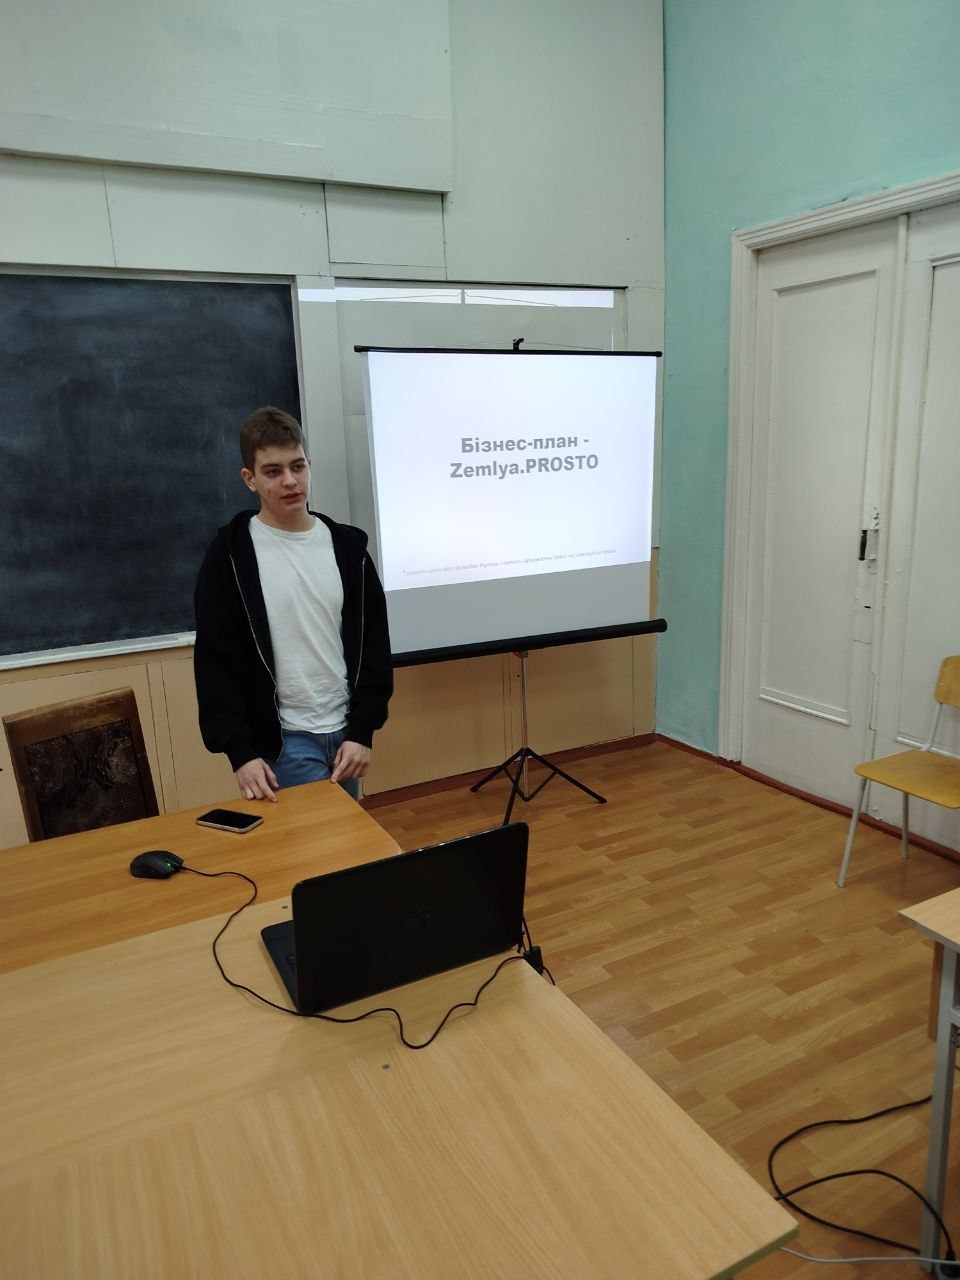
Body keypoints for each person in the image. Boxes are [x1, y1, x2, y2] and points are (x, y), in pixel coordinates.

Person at [193, 406, 392, 802]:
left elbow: (374, 648)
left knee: (348, 838)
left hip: (346, 736)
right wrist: (240, 753)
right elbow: (216, 662)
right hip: (284, 743)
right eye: (273, 471)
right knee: (320, 841)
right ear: (249, 479)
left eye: (297, 467)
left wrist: (362, 730)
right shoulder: (230, 557)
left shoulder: (349, 550)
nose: (289, 481)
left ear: (309, 466)